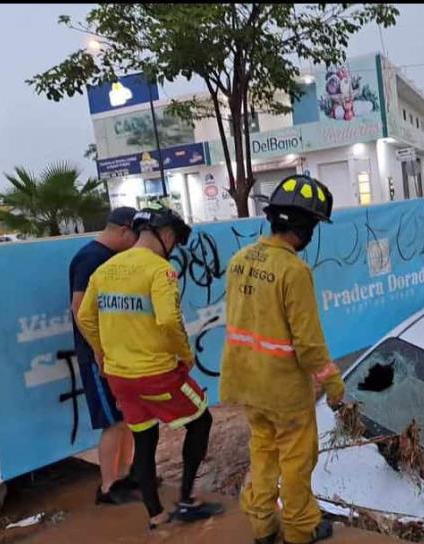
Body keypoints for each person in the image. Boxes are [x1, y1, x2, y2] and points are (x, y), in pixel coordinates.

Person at [77, 203, 224, 530]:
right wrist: (185, 354)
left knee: (145, 438)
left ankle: (156, 515)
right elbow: (170, 319)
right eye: (174, 241)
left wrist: (101, 354)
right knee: (201, 422)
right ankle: (186, 500)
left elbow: (85, 317)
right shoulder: (160, 270)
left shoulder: (105, 270)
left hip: (119, 376)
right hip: (157, 373)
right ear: (167, 235)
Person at [220, 175, 345, 544]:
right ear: (304, 228)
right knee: (296, 461)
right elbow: (308, 344)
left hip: (247, 384)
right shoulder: (294, 271)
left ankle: (262, 525)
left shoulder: (239, 260)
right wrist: (334, 385)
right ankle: (300, 528)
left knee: (262, 453)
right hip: (284, 392)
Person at [68, 206, 139, 505]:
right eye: (135, 236)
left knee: (128, 419)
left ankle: (125, 476)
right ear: (124, 229)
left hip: (119, 353)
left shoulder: (113, 258)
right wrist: (99, 350)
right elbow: (79, 309)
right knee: (112, 422)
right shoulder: (90, 258)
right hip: (99, 356)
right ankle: (108, 486)